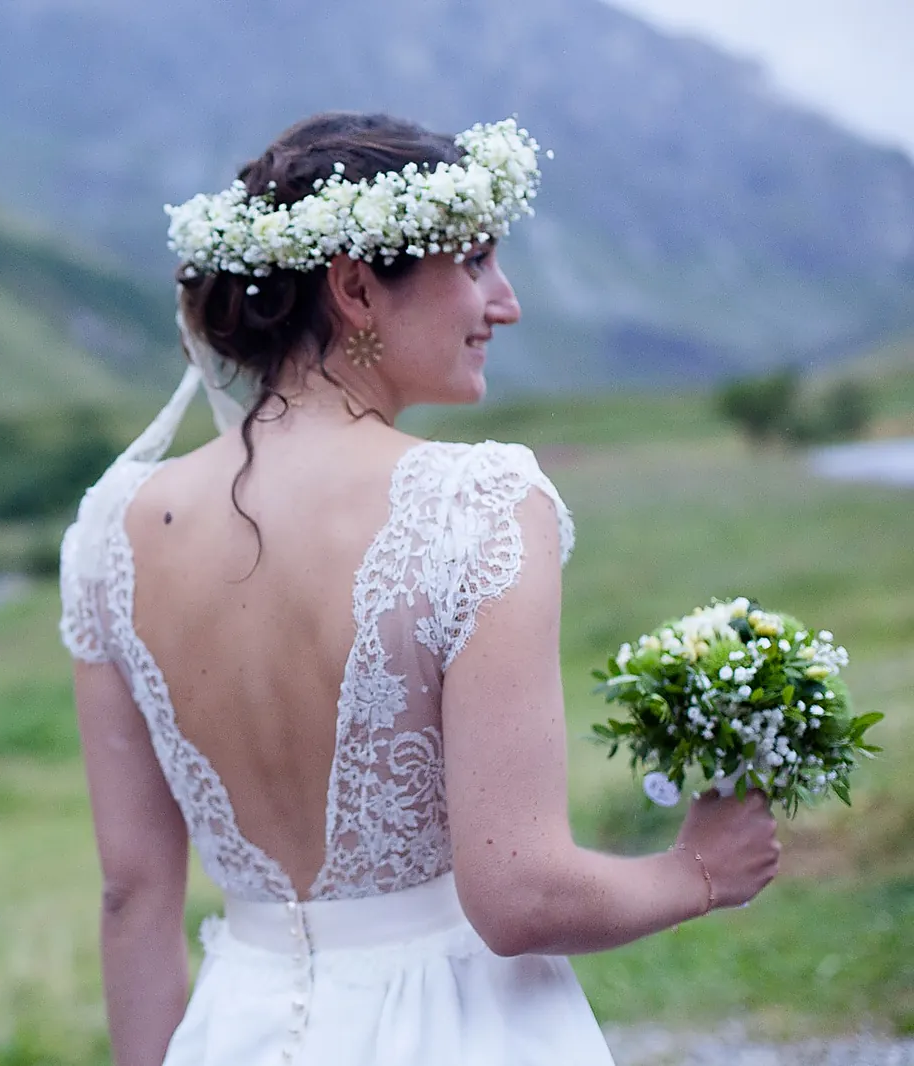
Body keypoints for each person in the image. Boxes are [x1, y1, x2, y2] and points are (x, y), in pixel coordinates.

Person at [57, 112, 781, 1066]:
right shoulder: (476, 503)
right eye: (475, 261)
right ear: (355, 288)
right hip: (455, 1029)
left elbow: (133, 895)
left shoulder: (110, 531)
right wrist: (699, 872)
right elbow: (519, 897)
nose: (505, 302)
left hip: (236, 1031)